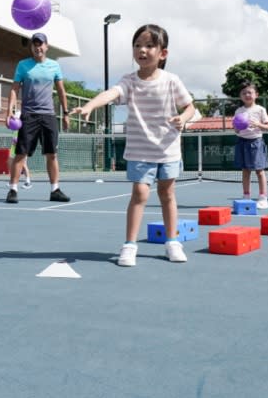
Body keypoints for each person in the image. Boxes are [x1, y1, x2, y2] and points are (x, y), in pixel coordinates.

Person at [72, 24, 197, 267]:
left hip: (168, 149)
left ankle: (172, 242)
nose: (142, 50)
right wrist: (89, 106)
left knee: (167, 193)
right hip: (140, 150)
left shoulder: (172, 81)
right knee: (139, 194)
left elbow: (189, 107)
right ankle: (129, 245)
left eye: (149, 45)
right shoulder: (129, 81)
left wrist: (182, 118)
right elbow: (111, 93)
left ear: (163, 53)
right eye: (137, 45)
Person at [5, 32, 70, 204]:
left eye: (40, 44)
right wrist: (9, 111)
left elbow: (62, 91)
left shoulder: (54, 66)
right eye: (34, 44)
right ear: (31, 47)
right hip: (28, 116)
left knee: (52, 154)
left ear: (46, 46)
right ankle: (12, 189)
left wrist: (66, 113)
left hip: (48, 116)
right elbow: (14, 89)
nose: (37, 47)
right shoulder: (23, 65)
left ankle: (55, 189)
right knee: (20, 154)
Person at [233, 81, 268, 209]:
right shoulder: (238, 111)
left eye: (250, 92)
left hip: (256, 142)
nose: (247, 94)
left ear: (256, 94)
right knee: (245, 171)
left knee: (259, 171)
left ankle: (263, 197)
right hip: (242, 142)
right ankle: (246, 196)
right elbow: (236, 130)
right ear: (240, 96)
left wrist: (258, 124)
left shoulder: (261, 110)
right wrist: (237, 128)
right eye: (244, 93)